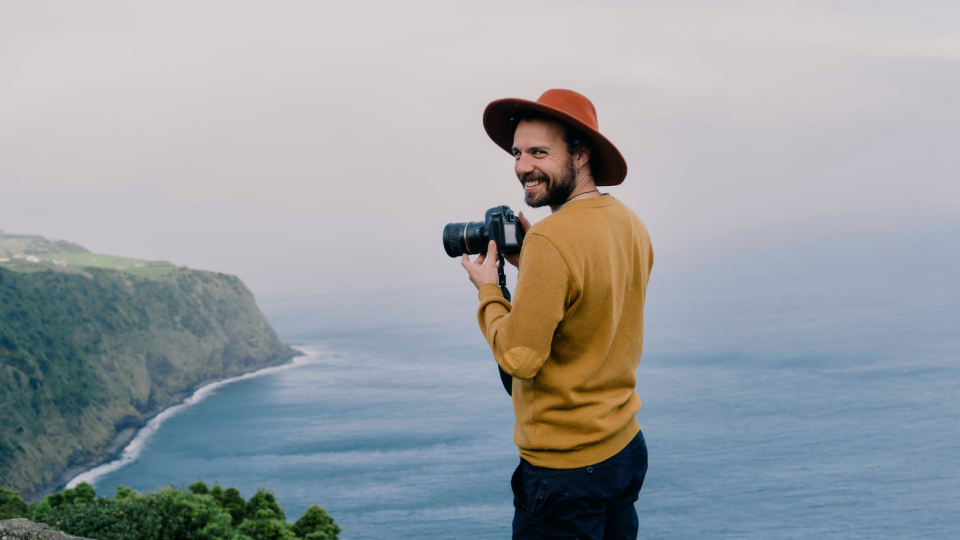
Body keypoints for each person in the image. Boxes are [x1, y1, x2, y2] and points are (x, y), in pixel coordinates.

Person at [458, 89, 654, 539]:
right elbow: (594, 304)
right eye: (517, 153)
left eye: (539, 152)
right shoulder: (628, 223)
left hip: (565, 470)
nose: (522, 166)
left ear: (581, 154)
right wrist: (533, 264)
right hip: (623, 447)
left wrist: (489, 291)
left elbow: (520, 358)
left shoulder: (552, 239)